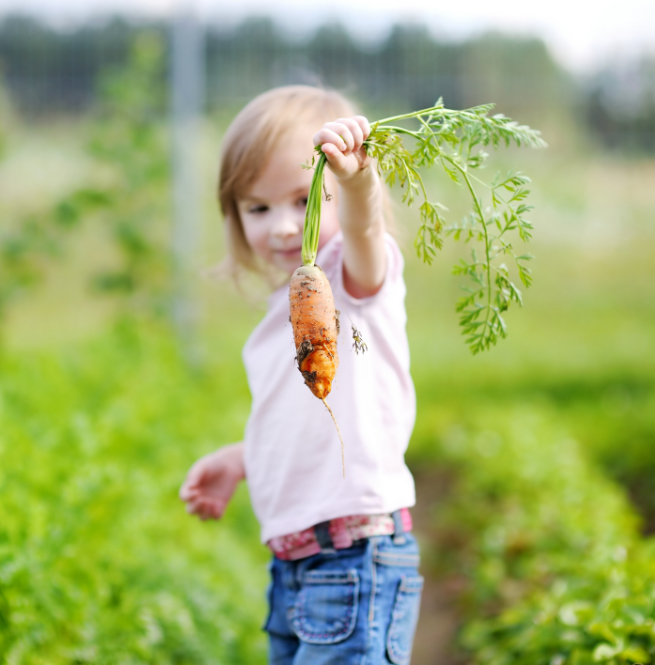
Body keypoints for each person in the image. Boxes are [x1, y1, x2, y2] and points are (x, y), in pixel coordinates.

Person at [179, 86, 421, 665]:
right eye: (258, 208)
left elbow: (363, 234)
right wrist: (243, 458)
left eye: (307, 198)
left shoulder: (351, 283)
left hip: (354, 557)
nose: (286, 227)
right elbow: (300, 420)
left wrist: (357, 181)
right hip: (293, 564)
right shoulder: (278, 316)